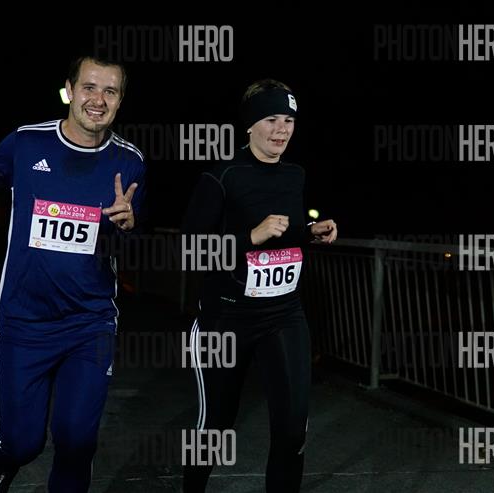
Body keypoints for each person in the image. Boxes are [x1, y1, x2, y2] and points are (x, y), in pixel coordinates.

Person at [0, 55, 146, 492]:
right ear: (69, 91)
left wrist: (128, 226)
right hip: (24, 321)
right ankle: (5, 463)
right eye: (89, 87)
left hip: (89, 322)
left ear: (120, 101)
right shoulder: (27, 142)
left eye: (110, 91)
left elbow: (129, 234)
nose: (98, 100)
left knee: (77, 441)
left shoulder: (130, 160)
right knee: (22, 442)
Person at [181, 79, 337, 492]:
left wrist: (310, 232)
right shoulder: (221, 176)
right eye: (271, 119)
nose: (281, 130)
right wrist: (250, 237)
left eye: (289, 120)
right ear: (250, 125)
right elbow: (190, 251)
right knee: (216, 426)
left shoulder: (294, 175)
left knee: (292, 429)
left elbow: (285, 232)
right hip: (225, 318)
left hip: (284, 315)